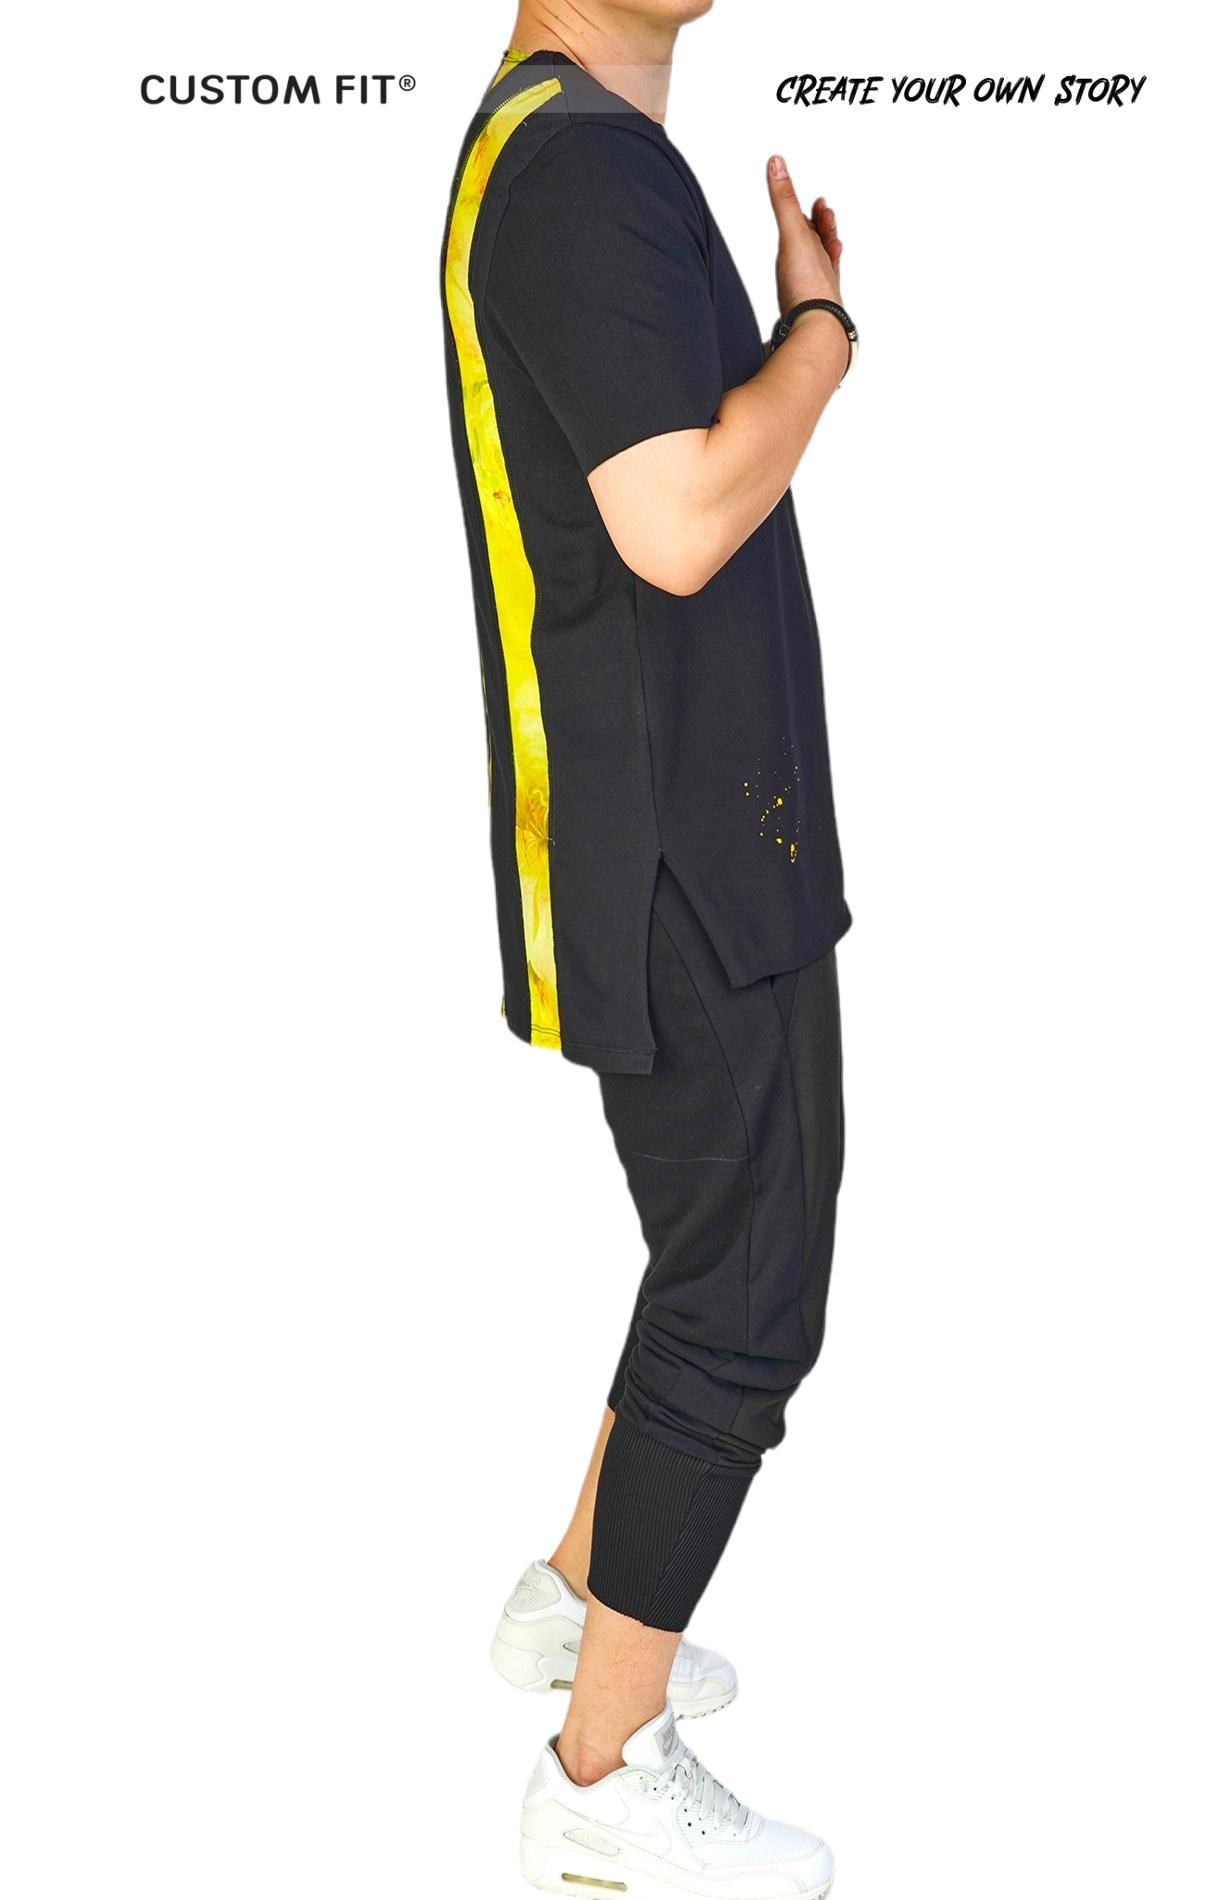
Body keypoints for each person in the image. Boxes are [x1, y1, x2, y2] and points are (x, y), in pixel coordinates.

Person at [440, 5, 853, 1893]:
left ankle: (575, 1600)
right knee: (745, 1298)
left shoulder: (550, 144)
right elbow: (677, 522)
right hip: (683, 846)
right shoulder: (578, 172)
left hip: (668, 818)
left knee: (709, 1252)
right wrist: (820, 337)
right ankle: (599, 1782)